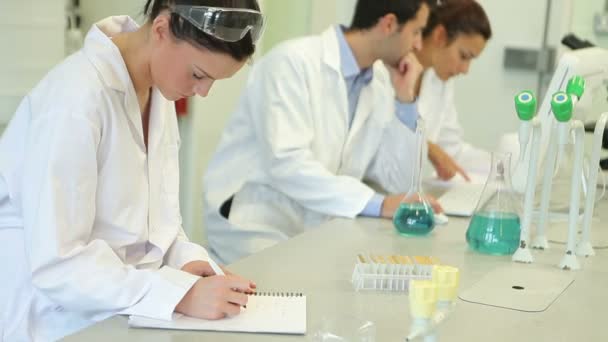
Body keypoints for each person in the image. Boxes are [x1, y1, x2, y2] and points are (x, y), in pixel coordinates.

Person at [0, 1, 264, 340]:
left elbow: (157, 225)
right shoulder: (75, 99)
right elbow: (59, 264)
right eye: (198, 74)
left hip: (115, 304)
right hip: (48, 315)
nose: (202, 92)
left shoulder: (157, 94)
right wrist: (180, 295)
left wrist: (188, 261)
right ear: (160, 30)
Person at [203, 0, 443, 264]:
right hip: (257, 222)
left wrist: (405, 100)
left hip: (316, 228)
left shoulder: (382, 81)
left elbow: (399, 182)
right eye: (417, 31)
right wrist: (378, 204)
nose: (419, 45)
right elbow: (287, 164)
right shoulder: (291, 62)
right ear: (388, 24)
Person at [415, 0, 492, 181]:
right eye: (463, 56)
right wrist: (426, 146)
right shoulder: (386, 70)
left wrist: (505, 167)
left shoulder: (439, 81)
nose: (465, 70)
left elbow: (452, 150)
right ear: (440, 35)